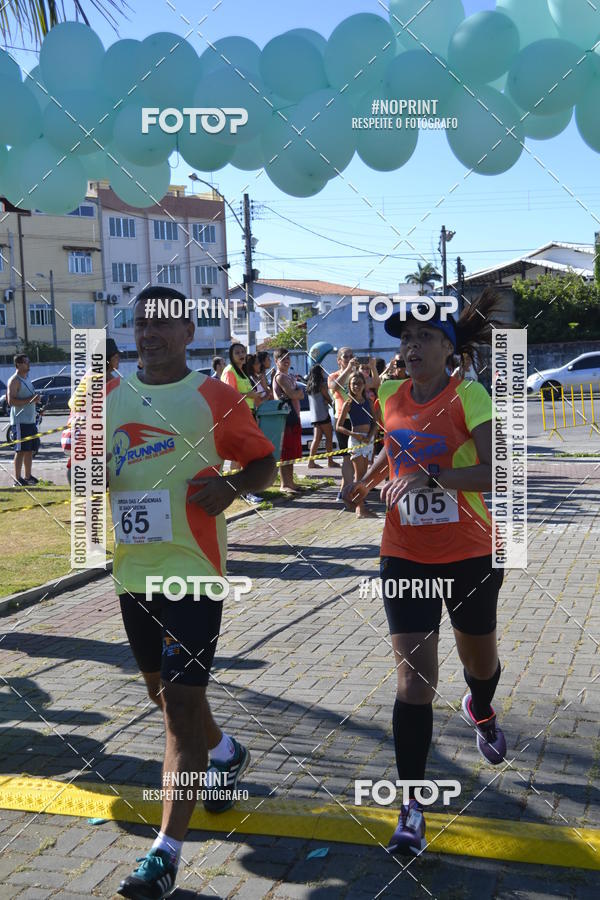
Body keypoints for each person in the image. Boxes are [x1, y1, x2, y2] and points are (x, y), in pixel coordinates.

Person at [110, 286, 275, 900]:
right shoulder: (107, 397)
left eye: (162, 325)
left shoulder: (216, 398)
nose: (148, 334)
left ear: (186, 332)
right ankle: (226, 752)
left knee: (179, 708)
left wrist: (232, 489)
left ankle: (165, 854)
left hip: (192, 574)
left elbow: (263, 464)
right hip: (134, 576)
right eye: (140, 324)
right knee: (164, 696)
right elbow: (90, 474)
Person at [344, 290, 507, 857]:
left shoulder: (471, 396)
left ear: (448, 346)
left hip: (469, 552)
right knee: (414, 681)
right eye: (404, 338)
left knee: (478, 663)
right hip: (404, 552)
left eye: (422, 338)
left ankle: (480, 708)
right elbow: (394, 450)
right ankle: (411, 807)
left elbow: (493, 472)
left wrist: (435, 478)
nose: (410, 347)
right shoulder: (389, 392)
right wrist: (364, 481)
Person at [336, 371, 378, 518]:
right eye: (353, 383)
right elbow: (339, 426)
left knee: (364, 475)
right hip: (355, 440)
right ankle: (359, 507)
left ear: (364, 385)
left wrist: (370, 436)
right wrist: (354, 435)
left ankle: (358, 503)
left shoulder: (368, 402)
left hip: (368, 440)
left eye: (359, 383)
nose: (356, 386)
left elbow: (375, 422)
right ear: (349, 385)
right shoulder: (349, 403)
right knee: (359, 476)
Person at [272, 347, 304, 494]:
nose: (286, 361)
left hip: (294, 417)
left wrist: (297, 394)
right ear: (276, 361)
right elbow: (293, 394)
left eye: (287, 358)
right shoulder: (280, 377)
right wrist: (297, 393)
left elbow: (299, 395)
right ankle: (284, 484)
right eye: (282, 359)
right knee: (285, 452)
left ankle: (290, 482)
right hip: (285, 418)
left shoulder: (289, 376)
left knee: (292, 452)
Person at [328, 347, 357, 506]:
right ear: (339, 360)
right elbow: (335, 387)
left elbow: (373, 383)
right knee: (347, 457)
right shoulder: (334, 375)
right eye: (346, 357)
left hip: (359, 418)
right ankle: (345, 489)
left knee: (359, 456)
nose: (350, 359)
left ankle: (351, 489)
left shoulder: (357, 375)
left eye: (352, 356)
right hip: (342, 418)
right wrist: (347, 369)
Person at [7, 354, 41, 486]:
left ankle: (27, 477)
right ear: (18, 365)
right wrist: (30, 400)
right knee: (20, 450)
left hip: (30, 420)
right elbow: (11, 401)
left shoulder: (27, 379)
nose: (28, 364)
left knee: (30, 450)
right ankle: (17, 479)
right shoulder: (14, 380)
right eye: (25, 362)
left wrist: (37, 404)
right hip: (20, 421)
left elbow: (30, 398)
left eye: (28, 361)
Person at [306, 364, 339, 469]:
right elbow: (328, 399)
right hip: (323, 415)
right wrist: (330, 402)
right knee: (329, 438)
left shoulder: (309, 386)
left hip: (315, 417)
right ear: (319, 373)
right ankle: (330, 461)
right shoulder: (322, 385)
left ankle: (311, 462)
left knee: (316, 439)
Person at [220, 344, 261, 411]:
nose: (241, 354)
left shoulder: (242, 371)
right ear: (231, 356)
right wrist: (248, 395)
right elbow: (229, 395)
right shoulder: (229, 371)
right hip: (237, 412)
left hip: (248, 411)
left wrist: (254, 395)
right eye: (237, 353)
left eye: (243, 352)